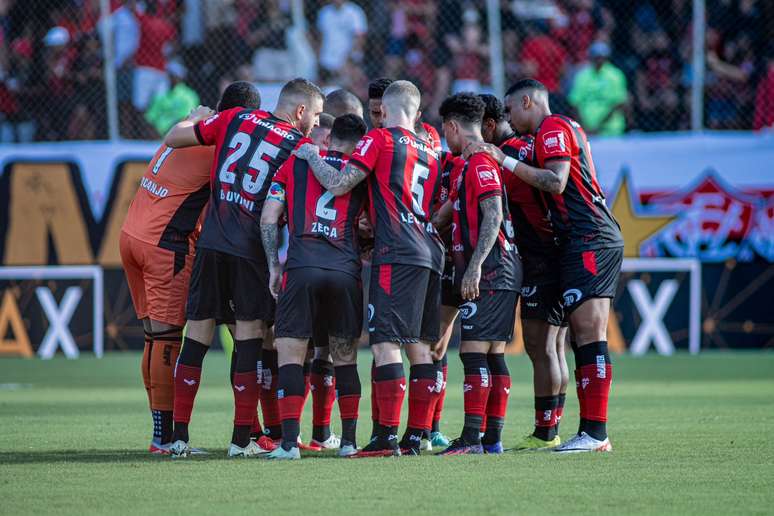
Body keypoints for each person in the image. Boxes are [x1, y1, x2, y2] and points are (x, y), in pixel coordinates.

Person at [163, 78, 325, 458]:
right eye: (316, 115)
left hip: (211, 243)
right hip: (251, 250)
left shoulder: (234, 117)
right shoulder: (300, 147)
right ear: (300, 111)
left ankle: (179, 439)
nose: (317, 124)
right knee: (249, 340)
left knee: (197, 338)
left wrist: (196, 117)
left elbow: (173, 138)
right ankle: (240, 441)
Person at [470, 78, 623, 453]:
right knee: (578, 338)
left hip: (590, 236)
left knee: (589, 335)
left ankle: (596, 433)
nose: (508, 118)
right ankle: (588, 432)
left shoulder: (553, 127)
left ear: (527, 101)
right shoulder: (559, 129)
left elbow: (556, 182)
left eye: (510, 110)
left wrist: (501, 158)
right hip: (580, 240)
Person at [294, 80, 444, 457]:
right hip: (430, 250)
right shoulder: (430, 148)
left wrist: (312, 156)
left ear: (387, 110)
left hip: (396, 252)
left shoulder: (380, 140)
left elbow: (341, 184)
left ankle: (385, 438)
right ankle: (415, 437)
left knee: (385, 344)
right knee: (421, 348)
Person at [120, 81, 262, 455]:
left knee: (154, 338)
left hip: (132, 234)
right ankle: (166, 440)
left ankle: (160, 434)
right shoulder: (221, 142)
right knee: (168, 339)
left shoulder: (189, 127)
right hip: (165, 243)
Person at [260, 114, 369, 460]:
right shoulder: (361, 174)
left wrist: (274, 267)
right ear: (359, 143)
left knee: (291, 356)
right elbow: (371, 226)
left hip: (302, 267)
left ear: (331, 138)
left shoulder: (295, 164)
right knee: (345, 359)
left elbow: (268, 218)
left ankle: (289, 444)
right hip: (345, 271)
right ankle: (349, 443)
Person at [432, 93, 521, 455]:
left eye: (445, 131)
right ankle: (491, 439)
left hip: (493, 268)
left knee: (473, 352)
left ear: (454, 127)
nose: (444, 138)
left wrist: (475, 265)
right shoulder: (468, 165)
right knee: (493, 354)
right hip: (499, 267)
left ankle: (472, 439)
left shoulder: (480, 162)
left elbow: (493, 213)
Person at [480, 93, 569, 450]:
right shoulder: (525, 147)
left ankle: (545, 433)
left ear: (487, 126)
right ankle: (550, 429)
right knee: (555, 346)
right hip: (557, 253)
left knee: (540, 346)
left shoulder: (509, 154)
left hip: (541, 258)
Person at [568, 41, 628, 136]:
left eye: (601, 57)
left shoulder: (615, 75)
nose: (599, 60)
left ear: (606, 58)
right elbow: (574, 103)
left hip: (611, 130)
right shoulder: (582, 76)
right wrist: (583, 126)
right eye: (596, 57)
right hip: (586, 130)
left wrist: (598, 127)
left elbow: (618, 103)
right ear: (591, 57)